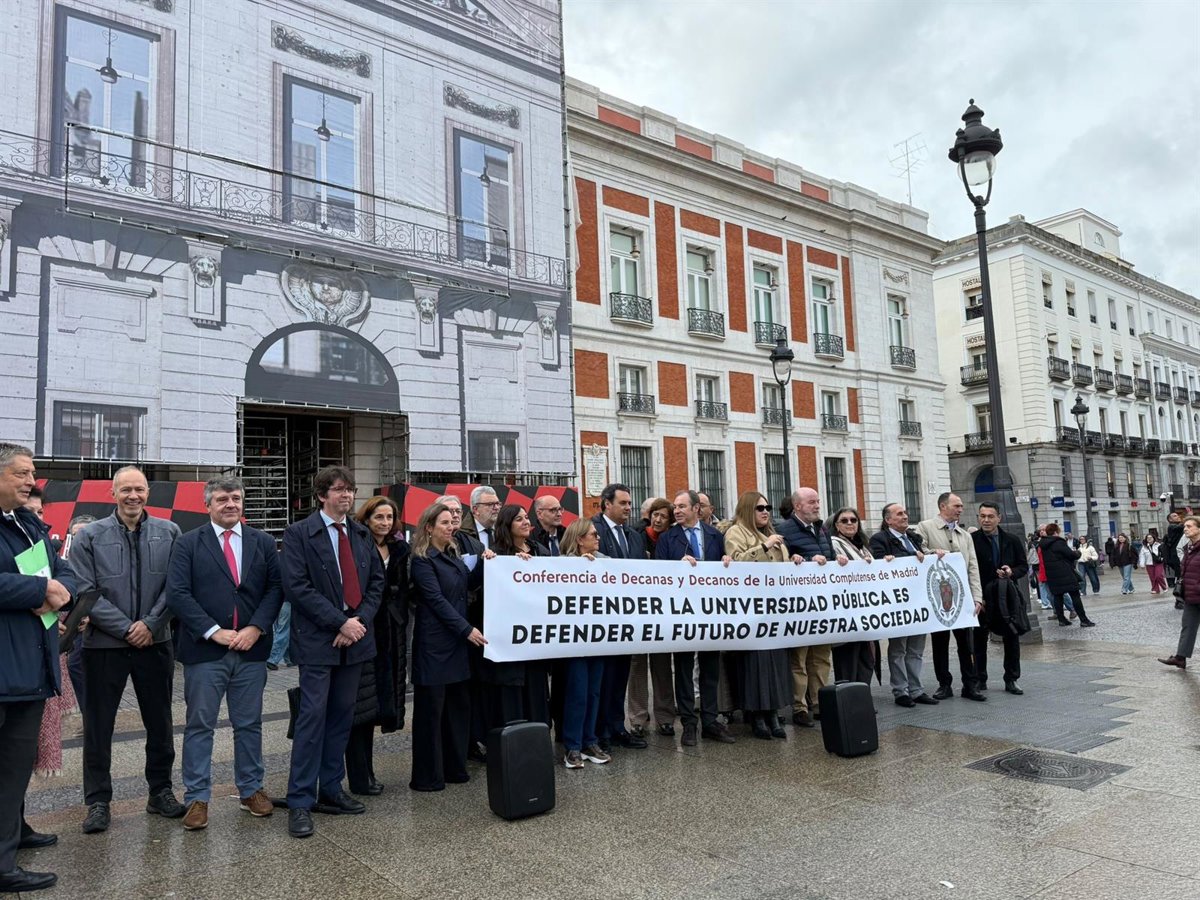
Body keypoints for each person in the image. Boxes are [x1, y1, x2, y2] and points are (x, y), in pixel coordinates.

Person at [165, 476, 284, 831]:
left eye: (236, 498)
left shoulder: (263, 542)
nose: (230, 504)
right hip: (205, 651)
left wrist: (256, 627)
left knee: (249, 724)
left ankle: (251, 790)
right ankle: (197, 797)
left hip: (251, 649)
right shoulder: (188, 543)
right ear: (208, 505)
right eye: (222, 499)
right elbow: (178, 594)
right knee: (200, 725)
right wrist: (215, 632)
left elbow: (276, 588)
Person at [71, 466, 185, 834]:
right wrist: (126, 627)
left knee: (159, 720)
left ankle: (161, 791)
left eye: (139, 489)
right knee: (98, 725)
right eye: (126, 490)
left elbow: (176, 587)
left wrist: (150, 624)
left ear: (148, 492)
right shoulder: (90, 536)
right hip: (104, 645)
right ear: (112, 493)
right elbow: (84, 589)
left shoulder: (169, 532)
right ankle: (99, 801)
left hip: (155, 643)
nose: (133, 496)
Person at [283, 466, 384, 839]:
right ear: (322, 495)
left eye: (350, 489)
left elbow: (375, 582)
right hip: (317, 642)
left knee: (342, 718)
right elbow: (296, 587)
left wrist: (357, 622)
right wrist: (338, 623)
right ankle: (299, 800)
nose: (347, 495)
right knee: (312, 719)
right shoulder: (299, 534)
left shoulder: (359, 533)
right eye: (339, 489)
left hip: (355, 641)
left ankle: (331, 787)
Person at [0, 443, 75, 894]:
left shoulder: (25, 523)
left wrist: (60, 585)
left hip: (29, 671)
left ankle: (6, 853)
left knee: (13, 771)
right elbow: (37, 582)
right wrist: (38, 588)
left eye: (33, 474)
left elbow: (59, 567)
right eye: (22, 474)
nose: (32, 482)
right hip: (7, 667)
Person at [409, 502, 487, 792]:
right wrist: (466, 629)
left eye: (452, 522)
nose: (451, 526)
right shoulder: (422, 560)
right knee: (432, 712)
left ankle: (454, 767)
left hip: (456, 645)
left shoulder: (451, 555)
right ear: (429, 527)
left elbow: (467, 585)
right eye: (444, 523)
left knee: (457, 708)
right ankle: (428, 776)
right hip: (434, 647)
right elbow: (437, 602)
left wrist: (485, 563)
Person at [656, 490, 735, 747]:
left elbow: (726, 569)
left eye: (681, 507)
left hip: (711, 610)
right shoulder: (668, 538)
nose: (676, 511)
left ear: (696, 509)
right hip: (683, 611)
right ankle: (689, 723)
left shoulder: (715, 535)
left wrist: (726, 560)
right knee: (683, 669)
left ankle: (711, 721)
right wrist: (677, 565)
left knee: (710, 668)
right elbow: (658, 573)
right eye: (674, 507)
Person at [345, 497, 410, 797]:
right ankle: (359, 775)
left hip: (391, 633)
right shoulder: (356, 543)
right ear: (367, 518)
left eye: (389, 517)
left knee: (379, 704)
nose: (384, 523)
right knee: (360, 708)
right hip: (363, 628)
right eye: (378, 517)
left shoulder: (399, 549)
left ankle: (368, 772)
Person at [723, 492, 795, 740]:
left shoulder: (772, 534)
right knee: (755, 663)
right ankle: (757, 716)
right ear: (747, 510)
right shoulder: (736, 533)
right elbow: (736, 562)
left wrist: (794, 559)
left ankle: (773, 712)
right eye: (759, 508)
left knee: (776, 662)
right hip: (751, 610)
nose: (765, 511)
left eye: (768, 507)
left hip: (775, 610)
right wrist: (764, 546)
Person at [778, 487, 847, 725]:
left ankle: (819, 702)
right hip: (800, 606)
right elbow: (783, 563)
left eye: (818, 501)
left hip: (823, 603)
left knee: (821, 657)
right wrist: (805, 561)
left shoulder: (821, 528)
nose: (817, 506)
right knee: (799, 658)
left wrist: (835, 562)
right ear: (797, 506)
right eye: (811, 502)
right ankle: (799, 707)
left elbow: (825, 557)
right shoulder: (784, 529)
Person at [592, 483, 648, 752]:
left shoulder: (634, 535)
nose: (628, 508)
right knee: (603, 678)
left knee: (620, 676)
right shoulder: (592, 530)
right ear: (606, 504)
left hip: (628, 619)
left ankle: (617, 726)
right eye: (623, 503)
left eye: (629, 504)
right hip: (603, 618)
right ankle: (600, 730)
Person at [484, 505, 551, 729]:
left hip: (536, 641)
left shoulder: (539, 550)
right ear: (507, 525)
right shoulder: (498, 554)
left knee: (537, 693)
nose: (525, 522)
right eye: (518, 519)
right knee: (511, 695)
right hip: (510, 642)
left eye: (526, 518)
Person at [917, 492, 986, 701]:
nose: (960, 509)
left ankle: (970, 684)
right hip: (938, 596)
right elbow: (919, 551)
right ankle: (944, 684)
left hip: (962, 597)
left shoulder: (964, 535)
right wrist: (931, 553)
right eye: (956, 505)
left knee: (966, 643)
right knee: (940, 642)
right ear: (942, 506)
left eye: (961, 506)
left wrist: (977, 597)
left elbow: (973, 566)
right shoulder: (925, 527)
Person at [870, 503, 940, 708]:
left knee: (916, 649)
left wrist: (933, 554)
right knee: (898, 648)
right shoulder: (879, 539)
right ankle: (901, 690)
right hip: (898, 604)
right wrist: (909, 558)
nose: (905, 516)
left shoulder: (914, 538)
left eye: (905, 512)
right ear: (888, 520)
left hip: (918, 602)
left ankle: (916, 689)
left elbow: (925, 557)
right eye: (899, 514)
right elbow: (878, 563)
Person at [558, 518, 611, 768]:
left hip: (598, 638)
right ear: (579, 539)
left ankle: (590, 740)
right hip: (575, 640)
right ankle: (572, 747)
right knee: (577, 693)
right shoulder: (562, 565)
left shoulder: (604, 561)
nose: (597, 538)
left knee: (593, 691)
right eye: (592, 535)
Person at [627, 497, 675, 737]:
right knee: (637, 666)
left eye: (663, 516)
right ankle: (638, 718)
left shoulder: (671, 540)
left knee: (662, 665)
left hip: (663, 611)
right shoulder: (636, 536)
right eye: (655, 515)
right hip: (639, 610)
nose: (657, 520)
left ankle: (665, 718)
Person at [970, 502, 1029, 695]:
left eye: (990, 516)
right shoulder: (972, 540)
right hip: (983, 598)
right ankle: (980, 678)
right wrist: (977, 597)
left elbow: (1023, 566)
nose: (986, 520)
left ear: (999, 518)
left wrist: (1011, 571)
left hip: (1006, 597)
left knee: (1011, 638)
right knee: (979, 640)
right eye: (982, 516)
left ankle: (1011, 679)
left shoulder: (1011, 539)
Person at [827, 506, 884, 689]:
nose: (850, 523)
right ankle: (848, 701)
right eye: (844, 520)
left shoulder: (862, 545)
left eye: (853, 520)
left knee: (866, 659)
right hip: (847, 614)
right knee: (848, 660)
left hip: (866, 613)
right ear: (836, 525)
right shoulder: (834, 543)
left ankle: (862, 698)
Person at [1158, 515, 1200, 669]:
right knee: (1187, 626)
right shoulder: (1188, 548)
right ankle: (1180, 657)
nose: (1186, 529)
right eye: (1185, 526)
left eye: (1189, 526)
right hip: (1191, 595)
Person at [1040, 523, 1095, 627]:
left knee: (1057, 596)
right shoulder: (1058, 542)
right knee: (1075, 595)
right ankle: (1084, 620)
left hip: (1052, 574)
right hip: (1065, 573)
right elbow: (1071, 555)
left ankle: (1061, 619)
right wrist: (1078, 553)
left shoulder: (1043, 544)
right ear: (1056, 532)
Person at [1164, 512, 1184, 589]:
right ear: (1170, 519)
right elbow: (1180, 527)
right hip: (1176, 554)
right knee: (1180, 572)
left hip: (1179, 552)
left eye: (1177, 515)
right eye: (1175, 516)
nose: (1178, 516)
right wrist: (1189, 518)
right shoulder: (1171, 527)